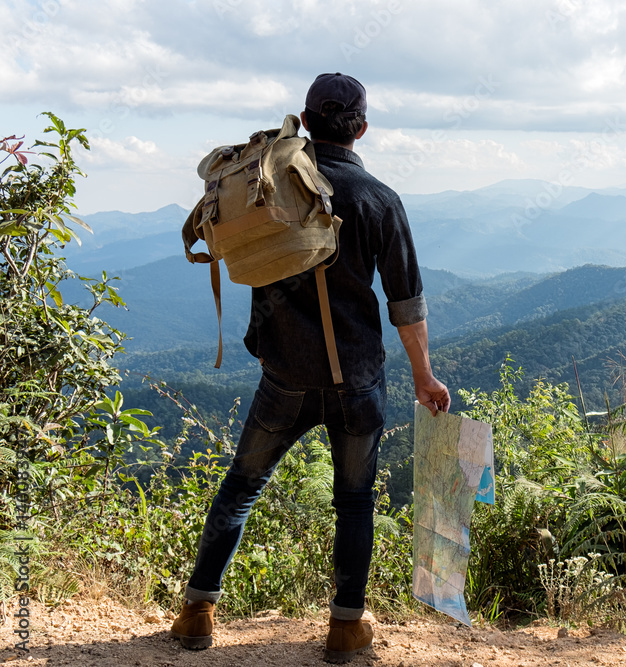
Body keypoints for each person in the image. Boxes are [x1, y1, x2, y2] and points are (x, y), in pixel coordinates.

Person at [170, 73, 451, 664]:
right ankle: (345, 629)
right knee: (354, 501)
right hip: (357, 381)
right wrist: (424, 377)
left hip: (284, 377)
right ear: (363, 129)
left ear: (302, 119)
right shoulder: (379, 200)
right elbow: (406, 303)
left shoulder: (269, 184)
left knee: (242, 487)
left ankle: (197, 610)